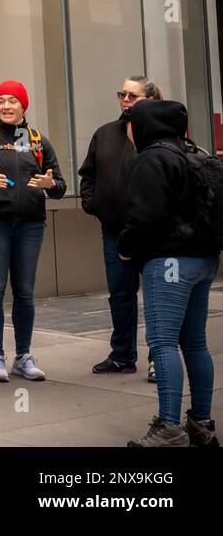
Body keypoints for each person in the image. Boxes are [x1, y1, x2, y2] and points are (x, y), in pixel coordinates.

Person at [119, 99, 220, 447]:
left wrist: (127, 248)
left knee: (162, 343)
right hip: (204, 260)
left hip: (171, 262)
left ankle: (169, 427)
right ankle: (202, 424)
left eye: (130, 124)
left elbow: (145, 217)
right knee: (195, 343)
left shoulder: (152, 159)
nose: (127, 131)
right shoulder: (194, 154)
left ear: (145, 125)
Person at [0, 80, 66, 383]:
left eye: (12, 101)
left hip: (30, 225)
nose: (6, 106)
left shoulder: (37, 141)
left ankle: (23, 356)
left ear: (23, 105)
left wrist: (51, 185)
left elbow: (59, 186)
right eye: (1, 100)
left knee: (25, 291)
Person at [80, 76, 161, 379]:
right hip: (114, 230)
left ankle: (159, 358)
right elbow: (87, 175)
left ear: (150, 100)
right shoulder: (105, 134)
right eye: (122, 94)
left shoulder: (159, 136)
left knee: (155, 295)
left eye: (133, 95)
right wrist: (92, 203)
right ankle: (122, 355)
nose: (125, 100)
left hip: (153, 232)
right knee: (120, 293)